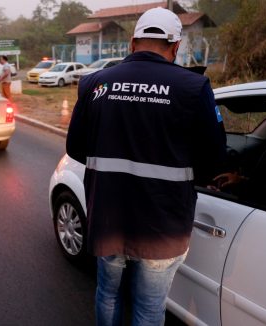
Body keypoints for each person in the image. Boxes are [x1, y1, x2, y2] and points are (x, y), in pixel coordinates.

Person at [66, 7, 226, 325]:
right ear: (176, 46)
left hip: (108, 215)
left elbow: (75, 148)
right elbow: (213, 159)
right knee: (149, 307)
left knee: (107, 293)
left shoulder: (95, 83)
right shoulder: (192, 87)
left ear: (131, 42)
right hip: (163, 224)